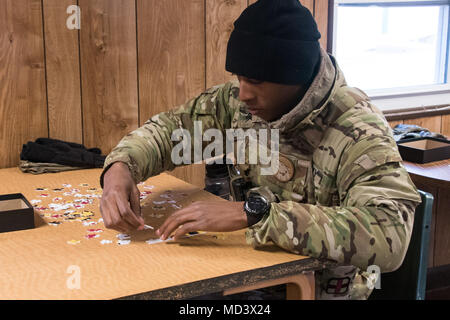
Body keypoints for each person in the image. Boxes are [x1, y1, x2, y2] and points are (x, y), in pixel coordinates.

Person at [99, 0, 421, 300]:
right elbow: (169, 132)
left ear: (295, 75)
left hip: (317, 291)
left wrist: (252, 214)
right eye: (239, 77)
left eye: (255, 80)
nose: (244, 94)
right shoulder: (240, 105)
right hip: (251, 276)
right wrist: (120, 169)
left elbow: (389, 233)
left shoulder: (358, 128)